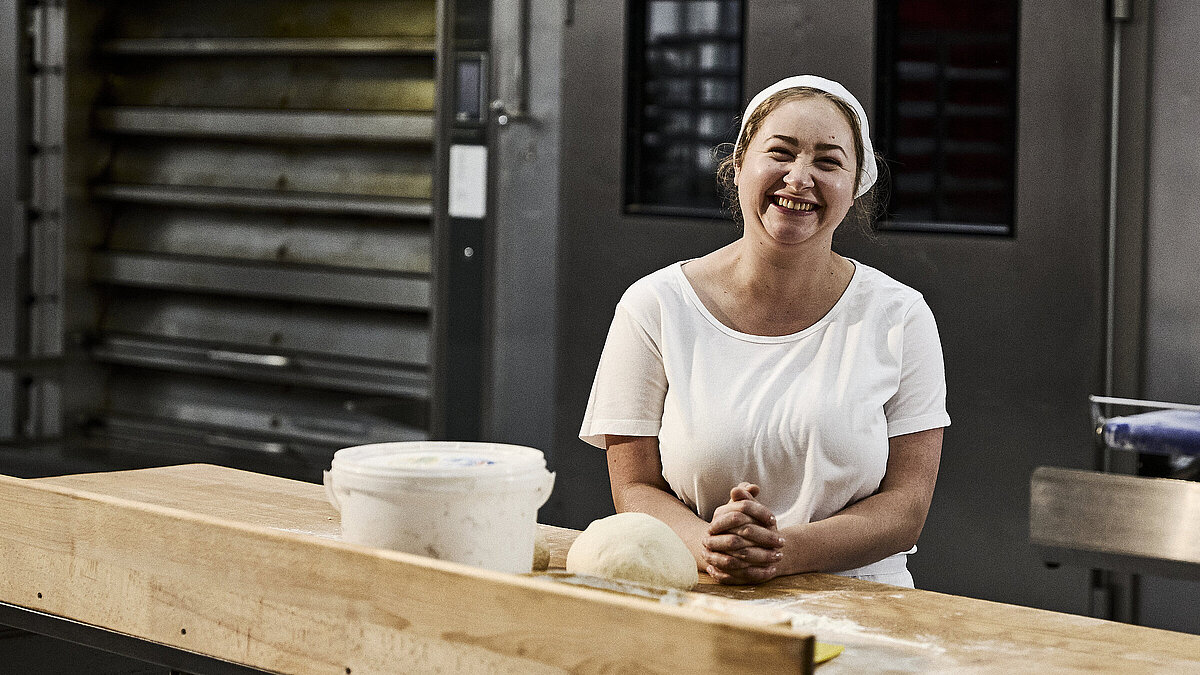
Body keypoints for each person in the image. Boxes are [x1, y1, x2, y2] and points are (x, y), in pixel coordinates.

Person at [578, 75, 950, 587]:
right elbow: (635, 489)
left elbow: (907, 507)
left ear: (854, 187)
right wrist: (711, 546)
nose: (799, 178)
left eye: (828, 161)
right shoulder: (655, 306)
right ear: (738, 167)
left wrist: (781, 550)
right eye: (781, 152)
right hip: (701, 594)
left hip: (865, 606)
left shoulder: (900, 317)